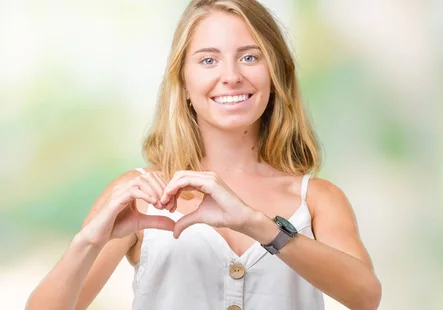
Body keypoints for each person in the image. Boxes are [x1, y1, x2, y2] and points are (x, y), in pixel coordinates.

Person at [25, 0, 382, 309]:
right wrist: (89, 241)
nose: (231, 76)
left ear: (275, 75)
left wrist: (258, 225)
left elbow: (366, 298)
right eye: (208, 60)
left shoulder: (317, 200)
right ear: (183, 83)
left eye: (249, 56)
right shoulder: (140, 196)